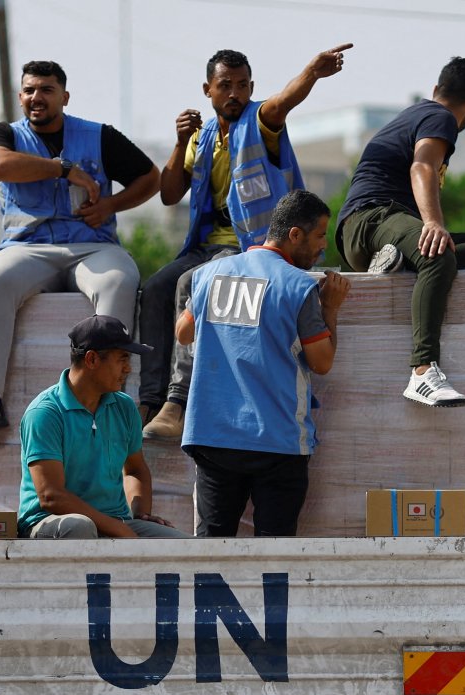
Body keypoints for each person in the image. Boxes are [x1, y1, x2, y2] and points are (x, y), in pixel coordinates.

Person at [139, 43, 350, 441]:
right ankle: (148, 402)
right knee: (155, 288)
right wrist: (179, 141)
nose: (235, 93)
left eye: (242, 85)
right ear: (208, 90)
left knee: (191, 285)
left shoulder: (260, 121)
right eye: (225, 85)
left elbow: (283, 101)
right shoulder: (200, 139)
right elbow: (169, 194)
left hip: (252, 246)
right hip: (205, 245)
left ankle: (177, 401)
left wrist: (312, 72)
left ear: (252, 87)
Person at [0, 59, 162, 437]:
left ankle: (109, 400)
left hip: (91, 246)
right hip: (27, 247)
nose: (36, 97)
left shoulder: (99, 135)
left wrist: (111, 205)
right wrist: (62, 168)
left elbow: (150, 178)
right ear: (20, 97)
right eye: (29, 90)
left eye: (46, 90)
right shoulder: (5, 134)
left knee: (119, 280)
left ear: (65, 96)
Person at [334, 57, 465, 409]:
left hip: (380, 227)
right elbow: (422, 165)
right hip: (369, 220)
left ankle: (399, 264)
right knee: (438, 252)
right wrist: (432, 222)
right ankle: (422, 371)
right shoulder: (440, 117)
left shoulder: (417, 113)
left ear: (436, 89)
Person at [176, 190, 348, 537]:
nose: (322, 249)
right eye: (318, 237)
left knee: (212, 551)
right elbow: (322, 361)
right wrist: (331, 308)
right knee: (274, 557)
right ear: (294, 235)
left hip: (213, 436)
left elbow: (183, 333)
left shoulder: (210, 273)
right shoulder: (299, 286)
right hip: (277, 440)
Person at [18, 315, 190, 540]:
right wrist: (120, 530)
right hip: (48, 521)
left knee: (183, 545)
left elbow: (136, 470)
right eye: (123, 358)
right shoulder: (45, 413)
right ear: (91, 360)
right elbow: (52, 497)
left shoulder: (124, 406)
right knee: (80, 527)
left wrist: (141, 514)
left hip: (114, 521)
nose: (128, 368)